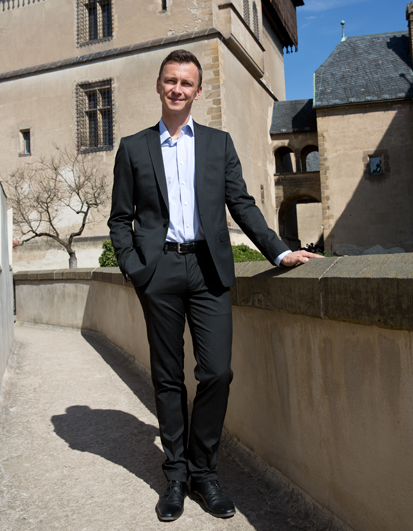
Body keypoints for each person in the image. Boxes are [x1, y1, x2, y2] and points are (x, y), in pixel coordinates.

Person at [108, 49, 321, 522]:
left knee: (217, 373)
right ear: (159, 85)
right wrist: (134, 268)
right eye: (170, 80)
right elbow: (120, 219)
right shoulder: (133, 148)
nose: (177, 89)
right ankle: (175, 476)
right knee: (167, 378)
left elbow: (241, 203)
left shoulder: (218, 144)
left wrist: (279, 251)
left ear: (198, 91)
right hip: (159, 271)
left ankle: (204, 472)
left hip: (209, 270)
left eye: (186, 82)